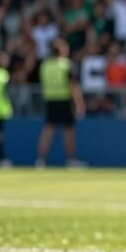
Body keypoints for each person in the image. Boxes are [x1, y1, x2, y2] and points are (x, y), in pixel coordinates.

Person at [35, 38, 86, 167]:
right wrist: (79, 104)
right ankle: (71, 159)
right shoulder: (66, 65)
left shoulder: (45, 65)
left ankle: (40, 160)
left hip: (50, 100)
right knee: (68, 131)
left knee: (48, 130)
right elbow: (73, 86)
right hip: (64, 100)